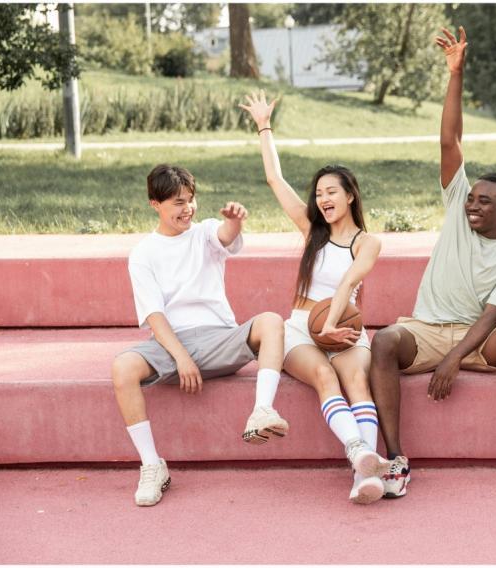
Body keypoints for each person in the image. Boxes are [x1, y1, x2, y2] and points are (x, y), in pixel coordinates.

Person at [369, 26, 496, 499]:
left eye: (485, 201)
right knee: (385, 340)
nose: (474, 205)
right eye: (471, 198)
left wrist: (454, 358)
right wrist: (456, 73)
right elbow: (450, 139)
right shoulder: (456, 210)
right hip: (427, 328)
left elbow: (494, 317)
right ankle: (395, 459)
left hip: (478, 339)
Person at [240, 91, 390, 505]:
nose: (323, 199)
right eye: (319, 193)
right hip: (301, 330)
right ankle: (358, 452)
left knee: (357, 378)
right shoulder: (312, 231)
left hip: (342, 328)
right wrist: (264, 126)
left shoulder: (367, 242)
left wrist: (331, 325)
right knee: (325, 377)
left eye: (331, 192)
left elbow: (346, 286)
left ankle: (365, 477)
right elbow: (275, 180)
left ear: (350, 196)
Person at [111, 164, 289, 507]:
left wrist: (235, 220)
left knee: (270, 320)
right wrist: (181, 357)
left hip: (219, 339)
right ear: (154, 204)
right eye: (177, 202)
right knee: (123, 368)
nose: (187, 208)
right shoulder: (143, 254)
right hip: (171, 343)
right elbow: (155, 316)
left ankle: (262, 411)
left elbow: (225, 235)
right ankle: (152, 465)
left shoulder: (204, 233)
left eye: (191, 200)